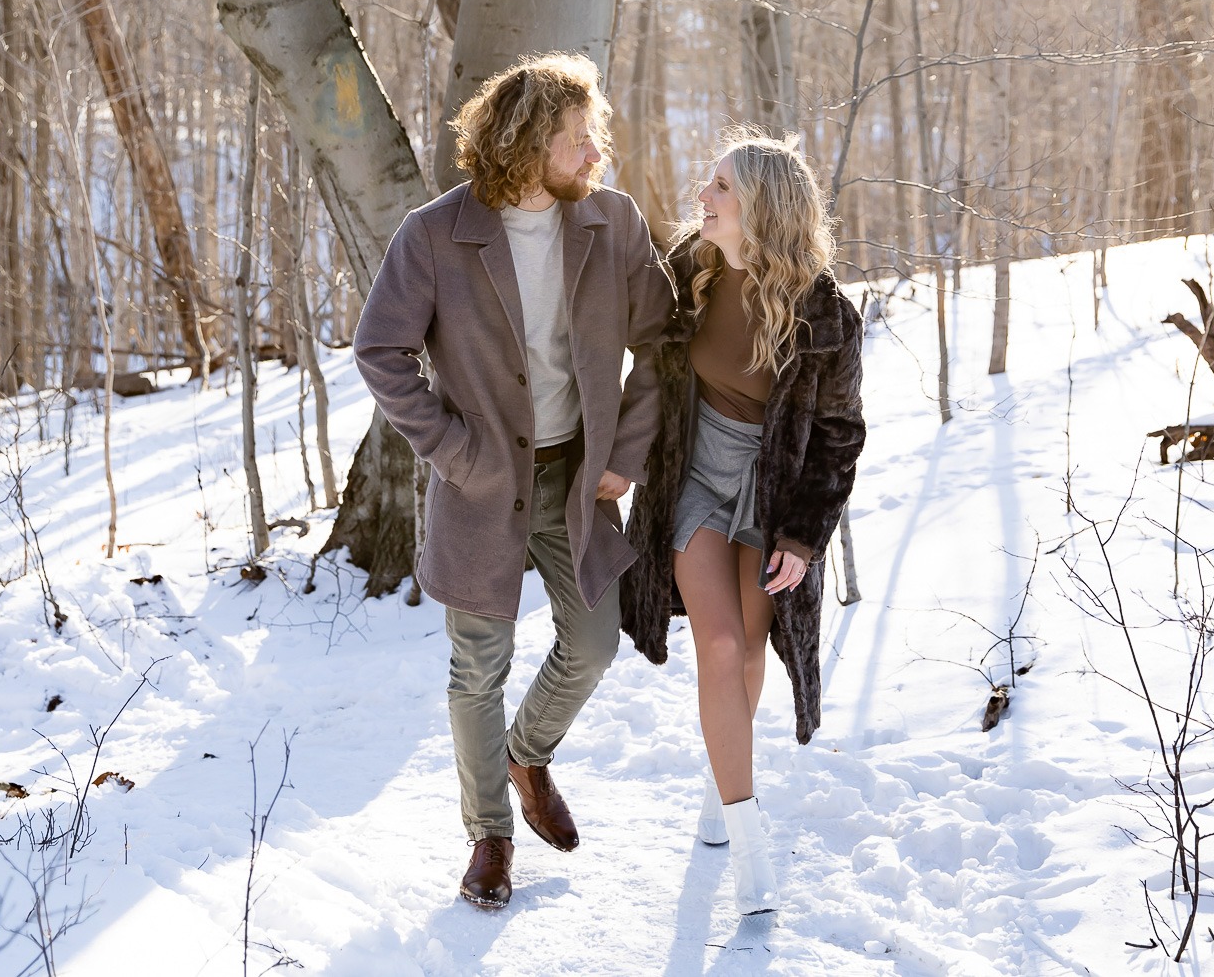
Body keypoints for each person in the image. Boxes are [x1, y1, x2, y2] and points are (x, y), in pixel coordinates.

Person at [354, 54, 673, 910]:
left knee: (595, 641)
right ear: (529, 143)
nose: (595, 153)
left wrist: (626, 454)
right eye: (578, 140)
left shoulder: (614, 221)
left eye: (594, 137)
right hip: (481, 484)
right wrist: (454, 450)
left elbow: (662, 343)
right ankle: (489, 835)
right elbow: (380, 351)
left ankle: (527, 755)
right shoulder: (433, 234)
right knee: (476, 670)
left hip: (578, 481)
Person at [619, 131, 866, 915]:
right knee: (718, 641)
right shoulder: (690, 270)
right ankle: (749, 843)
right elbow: (633, 341)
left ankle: (724, 781)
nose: (705, 198)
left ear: (759, 206)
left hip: (772, 490)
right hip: (693, 475)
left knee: (751, 648)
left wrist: (802, 537)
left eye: (720, 188)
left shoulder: (826, 315)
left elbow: (839, 434)